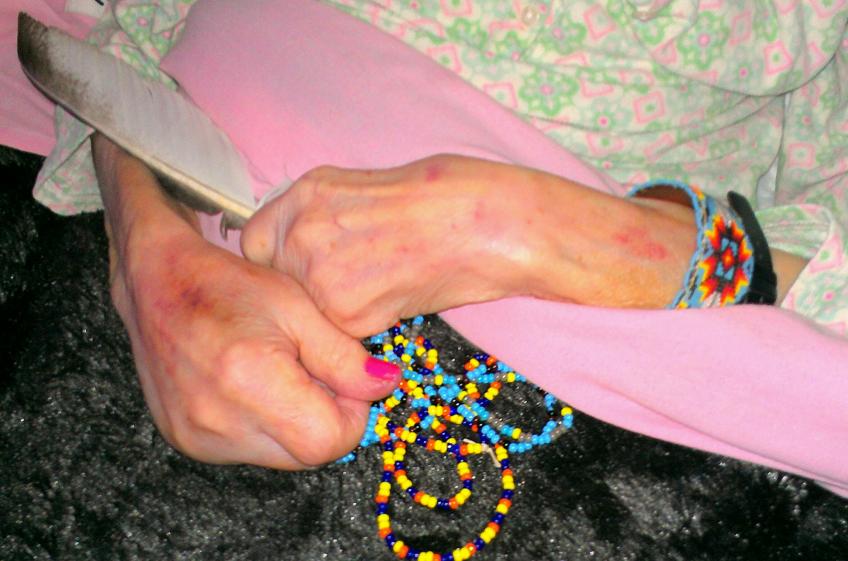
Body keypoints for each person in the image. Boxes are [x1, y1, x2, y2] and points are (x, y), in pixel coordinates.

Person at [2, 0, 847, 494]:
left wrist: (527, 228)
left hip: (595, 422)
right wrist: (146, 254)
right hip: (150, 241)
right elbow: (128, 25)